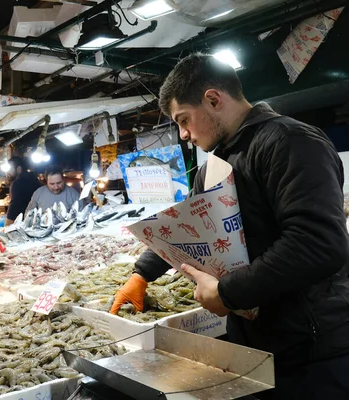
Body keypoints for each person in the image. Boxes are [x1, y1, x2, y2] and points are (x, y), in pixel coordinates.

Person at [110, 53, 349, 398]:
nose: (183, 135)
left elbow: (317, 243)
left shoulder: (290, 141)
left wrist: (226, 292)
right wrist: (142, 273)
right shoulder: (215, 165)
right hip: (255, 341)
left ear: (213, 99)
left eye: (183, 120)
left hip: (313, 346)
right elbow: (189, 225)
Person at [5, 156, 41, 226]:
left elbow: (14, 206)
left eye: (10, 169)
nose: (8, 172)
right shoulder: (34, 179)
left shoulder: (18, 183)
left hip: (23, 222)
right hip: (35, 221)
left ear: (19, 169)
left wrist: (7, 225)